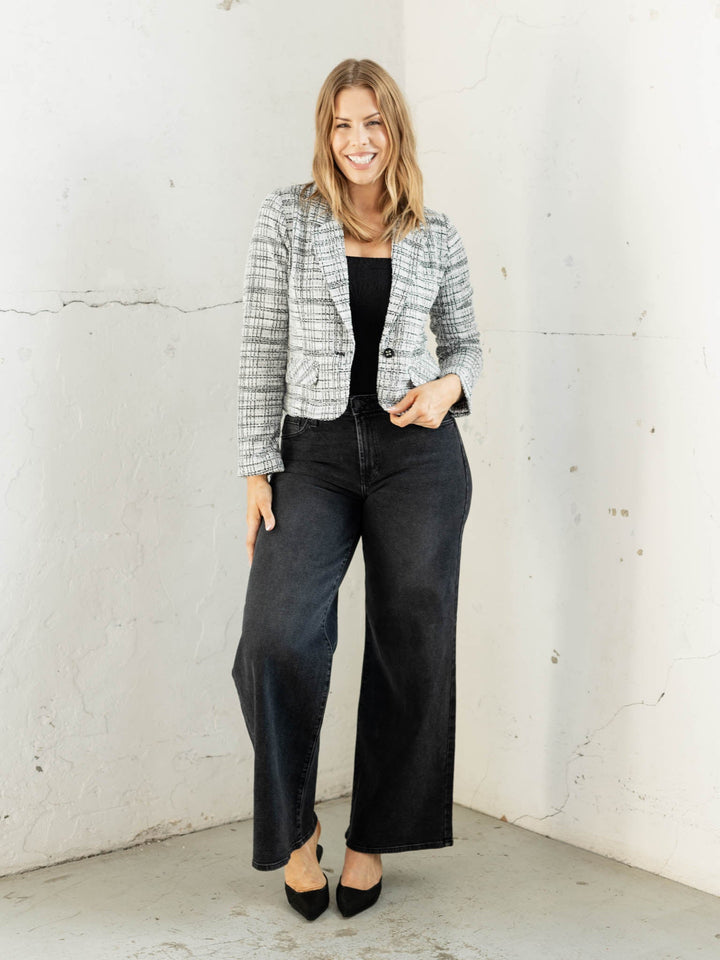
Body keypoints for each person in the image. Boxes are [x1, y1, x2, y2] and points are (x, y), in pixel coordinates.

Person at [231, 57, 482, 921]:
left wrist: (450, 388)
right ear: (325, 134)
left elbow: (467, 345)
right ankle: (298, 836)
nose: (358, 140)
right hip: (315, 452)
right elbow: (262, 345)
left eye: (372, 122)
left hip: (420, 457)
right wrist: (257, 466)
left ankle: (373, 838)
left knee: (413, 637)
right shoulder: (288, 220)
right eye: (341, 124)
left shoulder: (433, 233)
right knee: (275, 638)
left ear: (395, 130)